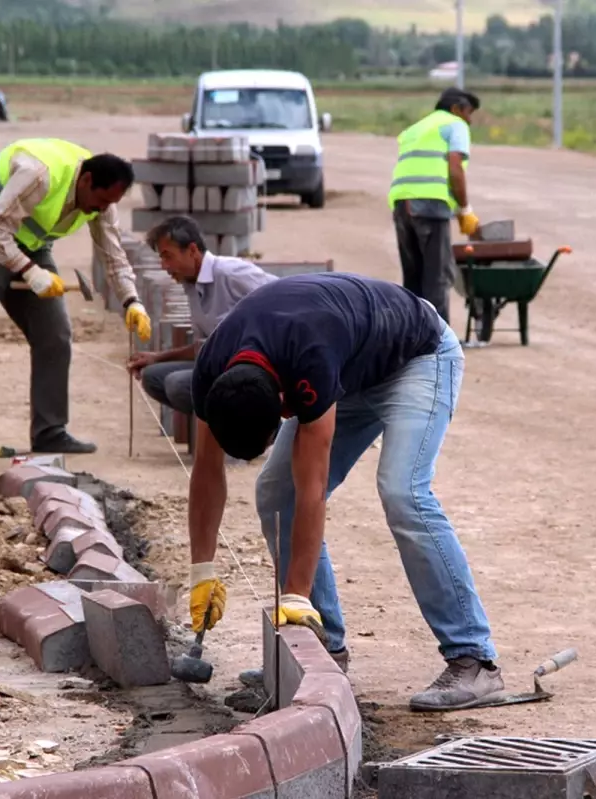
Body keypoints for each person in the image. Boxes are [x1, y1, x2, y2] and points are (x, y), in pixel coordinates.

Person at [184, 271, 504, 712]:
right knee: (275, 494)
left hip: (417, 357)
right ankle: (324, 651)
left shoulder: (309, 357)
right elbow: (205, 470)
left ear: (281, 400)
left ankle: (475, 659)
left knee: (402, 492)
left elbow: (312, 489)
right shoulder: (211, 371)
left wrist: (294, 594)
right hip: (349, 366)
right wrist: (201, 568)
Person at [0, 138, 152, 454]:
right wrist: (31, 273)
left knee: (55, 334)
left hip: (30, 246)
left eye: (109, 204)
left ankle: (50, 431)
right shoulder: (39, 175)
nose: (101, 210)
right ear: (87, 180)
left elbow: (113, 254)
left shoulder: (102, 200)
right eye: (100, 201)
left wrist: (132, 301)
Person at [126, 215, 275, 415]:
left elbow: (282, 299)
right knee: (153, 377)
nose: (164, 265)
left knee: (179, 385)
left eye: (167, 256)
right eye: (161, 258)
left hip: (254, 368)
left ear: (193, 251)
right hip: (222, 365)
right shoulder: (191, 286)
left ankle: (260, 426)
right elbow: (203, 347)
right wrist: (158, 357)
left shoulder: (231, 273)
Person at [388, 87, 482, 326]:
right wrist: (464, 209)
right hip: (430, 204)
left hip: (401, 204)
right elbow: (455, 169)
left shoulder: (414, 129)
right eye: (468, 112)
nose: (470, 119)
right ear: (455, 109)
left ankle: (413, 340)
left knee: (413, 278)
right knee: (438, 277)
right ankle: (439, 344)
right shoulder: (455, 125)